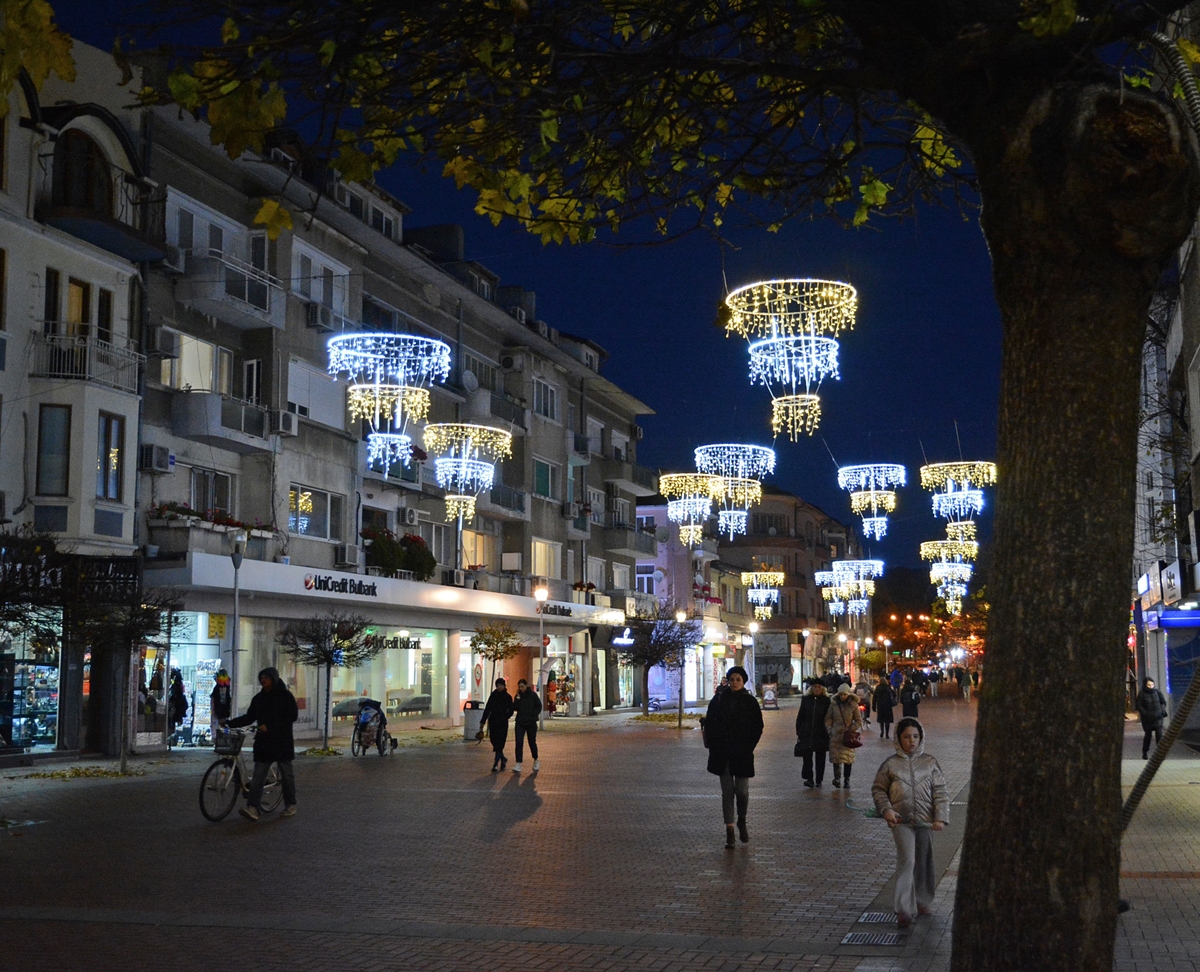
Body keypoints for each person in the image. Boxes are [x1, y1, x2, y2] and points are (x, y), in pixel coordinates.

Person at [872, 717, 949, 928]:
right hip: (901, 821)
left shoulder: (930, 763)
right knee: (908, 859)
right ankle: (904, 908)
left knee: (924, 860)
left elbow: (940, 792)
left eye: (915, 736)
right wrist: (886, 809)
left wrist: (940, 817)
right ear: (899, 738)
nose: (911, 741)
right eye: (906, 737)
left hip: (925, 822)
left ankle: (922, 901)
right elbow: (879, 789)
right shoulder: (890, 764)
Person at [224, 667, 299, 821]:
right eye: (262, 677)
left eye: (267, 677)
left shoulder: (285, 697)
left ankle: (290, 804)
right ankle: (253, 807)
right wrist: (230, 723)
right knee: (258, 775)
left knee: (286, 774)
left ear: (274, 678)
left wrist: (270, 726)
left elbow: (292, 716)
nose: (263, 680)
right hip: (264, 742)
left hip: (281, 741)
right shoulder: (259, 699)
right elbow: (249, 717)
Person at [704, 665, 764, 848]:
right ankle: (729, 829)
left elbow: (757, 727)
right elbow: (710, 723)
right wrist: (715, 744)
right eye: (732, 679)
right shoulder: (718, 700)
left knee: (742, 791)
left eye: (738, 679)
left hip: (743, 753)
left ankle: (742, 820)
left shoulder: (750, 701)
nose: (735, 682)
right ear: (728, 681)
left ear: (743, 681)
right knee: (727, 792)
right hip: (722, 754)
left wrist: (749, 746)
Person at [825, 682, 864, 789]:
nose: (842, 697)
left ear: (848, 694)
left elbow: (858, 721)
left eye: (844, 694)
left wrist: (851, 728)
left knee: (847, 759)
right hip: (835, 734)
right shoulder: (834, 705)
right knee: (836, 758)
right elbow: (828, 718)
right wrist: (830, 730)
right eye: (841, 694)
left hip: (847, 735)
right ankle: (837, 778)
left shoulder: (853, 705)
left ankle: (847, 780)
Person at [795, 678, 831, 787]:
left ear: (822, 688)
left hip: (821, 733)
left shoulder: (826, 700)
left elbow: (829, 717)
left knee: (820, 758)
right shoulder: (806, 699)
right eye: (814, 686)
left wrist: (828, 730)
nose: (816, 689)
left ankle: (819, 780)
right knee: (807, 757)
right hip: (807, 732)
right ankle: (809, 779)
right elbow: (801, 716)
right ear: (811, 688)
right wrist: (799, 730)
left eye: (819, 687)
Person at [480, 677, 514, 771]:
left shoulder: (508, 697)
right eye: (497, 685)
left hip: (502, 723)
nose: (499, 687)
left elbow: (511, 710)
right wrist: (483, 721)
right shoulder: (493, 696)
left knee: (500, 742)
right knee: (494, 740)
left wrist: (505, 716)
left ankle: (495, 763)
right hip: (493, 721)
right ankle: (503, 759)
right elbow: (488, 709)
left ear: (504, 686)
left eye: (501, 685)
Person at [512, 678, 542, 773]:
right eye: (519, 687)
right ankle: (518, 763)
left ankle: (536, 759)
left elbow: (539, 706)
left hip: (531, 722)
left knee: (531, 742)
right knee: (519, 742)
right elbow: (515, 707)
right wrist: (517, 699)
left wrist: (533, 714)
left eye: (522, 686)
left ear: (526, 686)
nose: (521, 688)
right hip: (520, 722)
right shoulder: (518, 696)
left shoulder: (533, 695)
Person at [1136, 677, 1169, 760]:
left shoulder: (1157, 692)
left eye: (1152, 684)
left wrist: (1162, 710)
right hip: (1147, 719)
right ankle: (1145, 752)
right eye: (1149, 685)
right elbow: (1139, 706)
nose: (1151, 686)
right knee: (1148, 736)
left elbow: (1163, 702)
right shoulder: (1142, 694)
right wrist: (1145, 713)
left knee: (1159, 735)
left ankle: (1159, 754)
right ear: (1145, 685)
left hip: (1158, 717)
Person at [209, 668, 232, 742]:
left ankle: (216, 737)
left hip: (218, 708)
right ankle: (225, 737)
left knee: (216, 723)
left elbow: (214, 699)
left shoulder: (217, 688)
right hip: (225, 708)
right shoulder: (227, 687)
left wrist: (212, 710)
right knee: (224, 723)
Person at [873, 675, 896, 739]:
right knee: (887, 720)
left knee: (881, 720)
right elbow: (894, 694)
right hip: (887, 706)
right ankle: (887, 734)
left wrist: (873, 706)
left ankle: (882, 731)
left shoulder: (878, 688)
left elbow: (874, 698)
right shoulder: (888, 687)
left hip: (880, 706)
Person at [168, 669, 188, 737]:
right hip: (178, 707)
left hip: (175, 707)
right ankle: (171, 737)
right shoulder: (179, 685)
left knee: (171, 721)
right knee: (172, 721)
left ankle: (171, 737)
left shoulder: (174, 686)